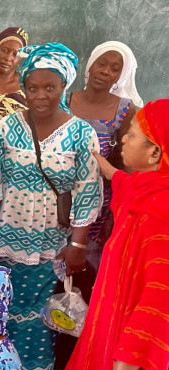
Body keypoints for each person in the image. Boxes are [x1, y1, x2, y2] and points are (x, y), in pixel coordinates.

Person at [0, 42, 102, 370]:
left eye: (50, 87)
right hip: (5, 238)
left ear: (64, 86)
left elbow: (87, 190)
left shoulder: (81, 134)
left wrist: (77, 245)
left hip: (52, 241)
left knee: (37, 317)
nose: (39, 96)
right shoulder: (5, 129)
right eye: (32, 87)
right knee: (0, 311)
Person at [58, 99, 169, 370]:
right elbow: (120, 180)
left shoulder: (160, 218)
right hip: (123, 346)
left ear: (155, 152)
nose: (122, 139)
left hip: (141, 364)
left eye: (132, 135)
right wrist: (102, 163)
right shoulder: (148, 190)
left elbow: (158, 306)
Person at [67, 41, 140, 269]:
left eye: (115, 68)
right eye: (101, 63)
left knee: (87, 268)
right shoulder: (64, 100)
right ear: (90, 64)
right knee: (55, 269)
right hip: (59, 196)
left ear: (121, 75)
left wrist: (115, 213)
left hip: (98, 204)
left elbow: (126, 163)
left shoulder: (126, 110)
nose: (105, 71)